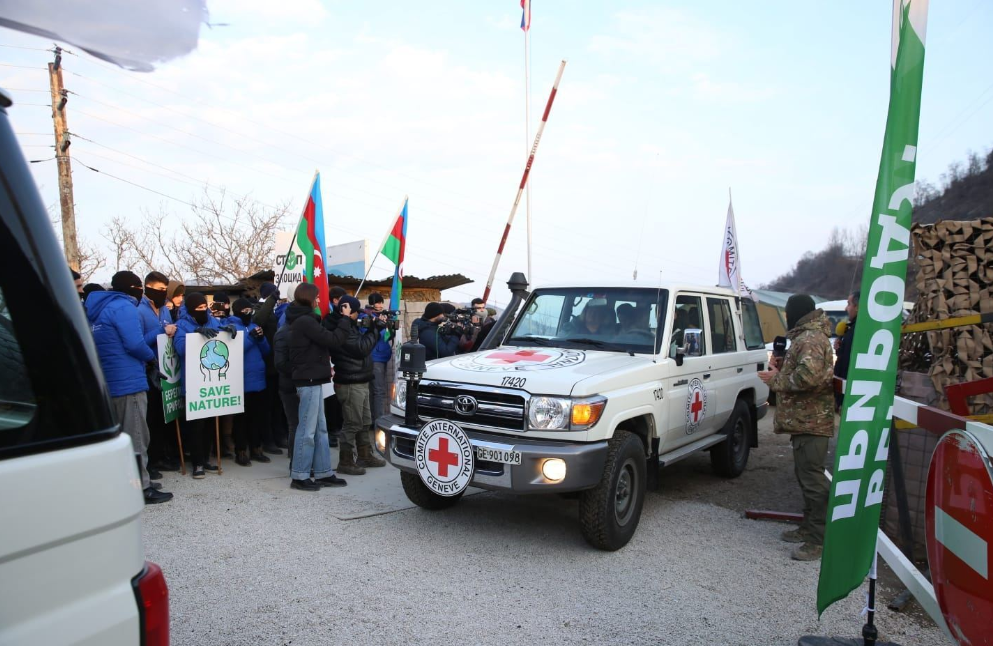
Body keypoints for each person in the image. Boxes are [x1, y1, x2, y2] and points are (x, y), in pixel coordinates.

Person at [85, 270, 173, 504]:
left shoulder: (98, 310)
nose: (140, 292)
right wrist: (151, 359)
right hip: (128, 382)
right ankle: (141, 488)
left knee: (123, 436)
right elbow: (135, 343)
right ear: (133, 288)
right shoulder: (123, 308)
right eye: (138, 287)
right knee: (136, 436)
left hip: (111, 381)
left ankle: (132, 481)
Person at [758, 294, 834, 561]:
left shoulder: (810, 339)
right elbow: (803, 371)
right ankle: (808, 528)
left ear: (794, 314)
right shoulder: (807, 337)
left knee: (813, 482)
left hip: (812, 421)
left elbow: (807, 378)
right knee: (806, 477)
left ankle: (818, 541)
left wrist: (776, 378)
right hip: (805, 421)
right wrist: (783, 366)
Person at [286, 283, 349, 491]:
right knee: (307, 429)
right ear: (309, 298)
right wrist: (345, 319)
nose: (319, 300)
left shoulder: (305, 319)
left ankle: (323, 472)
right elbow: (332, 340)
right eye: (317, 297)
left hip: (314, 379)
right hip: (308, 381)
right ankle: (300, 475)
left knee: (320, 429)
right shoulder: (304, 321)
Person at [329, 295, 386, 475]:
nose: (358, 317)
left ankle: (364, 455)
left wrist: (372, 327)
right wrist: (374, 331)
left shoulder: (349, 326)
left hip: (360, 379)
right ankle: (345, 461)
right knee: (353, 422)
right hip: (350, 381)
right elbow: (361, 348)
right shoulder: (340, 328)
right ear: (348, 312)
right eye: (356, 313)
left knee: (365, 421)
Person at [173, 292, 225, 479]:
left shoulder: (212, 321)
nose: (203, 311)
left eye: (205, 307)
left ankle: (207, 457)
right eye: (199, 308)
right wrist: (195, 335)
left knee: (211, 423)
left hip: (212, 380)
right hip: (193, 382)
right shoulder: (182, 325)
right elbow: (179, 348)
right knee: (196, 425)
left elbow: (222, 333)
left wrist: (229, 330)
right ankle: (197, 463)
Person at [138, 271, 180, 474]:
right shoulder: (138, 309)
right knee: (150, 418)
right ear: (149, 288)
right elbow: (138, 341)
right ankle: (150, 461)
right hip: (148, 370)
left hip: (166, 369)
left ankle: (161, 456)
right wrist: (161, 332)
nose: (164, 294)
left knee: (163, 416)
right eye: (161, 290)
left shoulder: (164, 309)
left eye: (166, 290)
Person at [226, 298, 273, 466]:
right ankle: (241, 450)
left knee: (257, 417)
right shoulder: (230, 329)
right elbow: (233, 352)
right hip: (241, 380)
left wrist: (261, 339)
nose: (248, 313)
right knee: (242, 419)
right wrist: (251, 339)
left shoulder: (253, 326)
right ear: (237, 311)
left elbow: (266, 351)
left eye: (250, 310)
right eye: (244, 310)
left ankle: (256, 448)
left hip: (258, 379)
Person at [253, 281, 290, 451]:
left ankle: (279, 435)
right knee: (266, 405)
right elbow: (258, 321)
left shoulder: (277, 310)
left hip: (277, 364)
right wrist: (269, 301)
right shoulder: (257, 308)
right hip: (265, 364)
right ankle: (267, 440)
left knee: (277, 403)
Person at [367, 292, 391, 425]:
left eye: (381, 302)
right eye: (377, 302)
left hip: (382, 356)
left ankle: (373, 420)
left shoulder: (384, 316)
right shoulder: (367, 317)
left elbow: (387, 337)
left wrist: (389, 327)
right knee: (378, 391)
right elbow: (368, 335)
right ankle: (379, 422)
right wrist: (377, 324)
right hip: (374, 357)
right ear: (371, 304)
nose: (380, 305)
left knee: (376, 390)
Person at [833, 290, 859, 410]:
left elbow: (848, 363)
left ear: (857, 307)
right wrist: (840, 348)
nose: (845, 308)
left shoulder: (858, 330)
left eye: (848, 304)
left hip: (850, 394)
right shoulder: (851, 329)